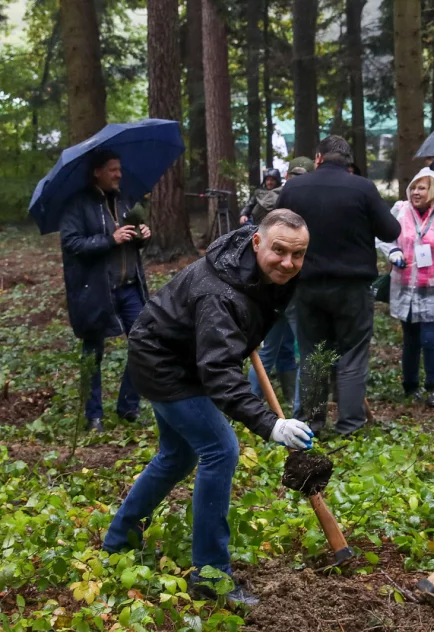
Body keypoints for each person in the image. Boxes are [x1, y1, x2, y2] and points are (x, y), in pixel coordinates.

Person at [103, 211, 314, 607]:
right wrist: (271, 425)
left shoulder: (263, 271)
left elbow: (227, 341)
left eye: (298, 254)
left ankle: (118, 542)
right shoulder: (220, 293)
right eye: (280, 251)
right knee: (221, 449)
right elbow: (216, 372)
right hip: (164, 363)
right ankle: (211, 575)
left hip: (191, 354)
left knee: (176, 456)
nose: (288, 262)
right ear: (256, 243)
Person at [276, 135, 401, 435]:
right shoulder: (362, 188)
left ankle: (311, 424)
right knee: (352, 355)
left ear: (318, 158)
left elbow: (275, 226)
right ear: (348, 162)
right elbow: (391, 230)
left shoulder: (294, 187)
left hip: (306, 285)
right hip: (353, 287)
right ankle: (350, 426)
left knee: (313, 355)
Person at [59, 149, 151, 433]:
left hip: (130, 287)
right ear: (97, 171)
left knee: (144, 344)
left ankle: (128, 407)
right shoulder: (78, 204)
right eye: (112, 169)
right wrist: (109, 240)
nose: (118, 174)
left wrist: (142, 236)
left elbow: (132, 239)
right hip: (96, 291)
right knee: (92, 353)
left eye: (119, 169)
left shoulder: (124, 201)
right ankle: (93, 416)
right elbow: (72, 244)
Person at [377, 168, 434, 408]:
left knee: (430, 339)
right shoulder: (400, 211)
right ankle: (410, 386)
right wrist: (393, 251)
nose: (416, 192)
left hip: (433, 290)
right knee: (410, 340)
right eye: (414, 187)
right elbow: (384, 235)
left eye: (422, 188)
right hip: (405, 286)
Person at [247, 158, 315, 406]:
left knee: (276, 347)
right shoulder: (308, 200)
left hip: (272, 287)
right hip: (294, 288)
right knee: (307, 350)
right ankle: (301, 411)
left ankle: (252, 403)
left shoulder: (275, 197)